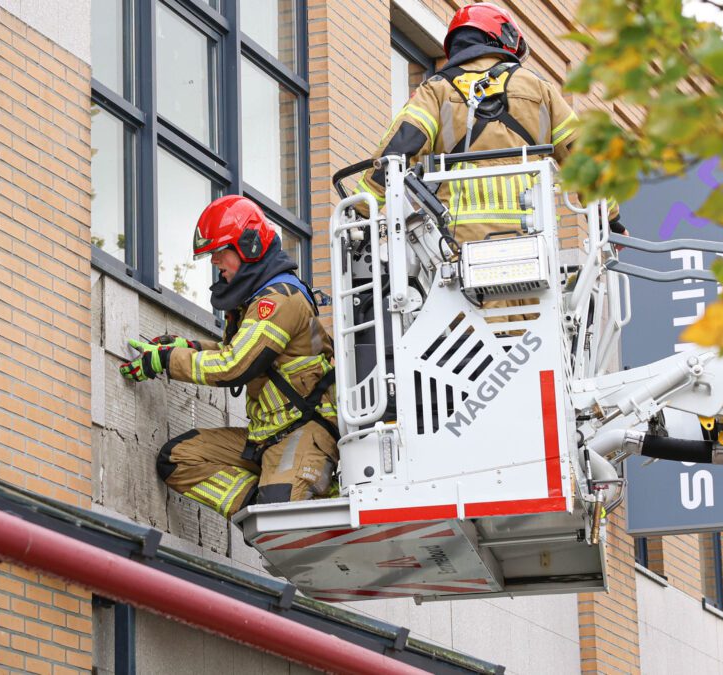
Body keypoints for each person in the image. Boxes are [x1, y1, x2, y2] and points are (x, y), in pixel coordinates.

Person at [118, 195, 339, 519]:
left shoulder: (279, 300)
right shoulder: (255, 301)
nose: (215, 262)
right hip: (265, 438)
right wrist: (184, 347)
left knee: (280, 521)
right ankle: (265, 502)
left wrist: (166, 361)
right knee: (178, 459)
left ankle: (291, 499)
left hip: (304, 435)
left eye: (220, 253)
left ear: (249, 246)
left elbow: (235, 366)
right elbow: (234, 353)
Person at [357, 3, 626, 241]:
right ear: (503, 37)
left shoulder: (436, 89)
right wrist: (609, 220)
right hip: (531, 238)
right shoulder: (537, 88)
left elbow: (399, 148)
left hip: (458, 245)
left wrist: (360, 212)